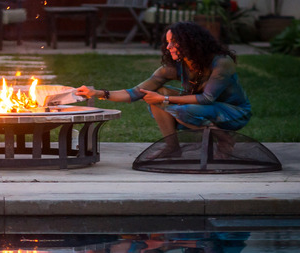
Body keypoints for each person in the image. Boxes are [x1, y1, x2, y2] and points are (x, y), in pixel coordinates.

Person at [75, 21, 251, 158]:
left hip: (234, 113)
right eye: (168, 43)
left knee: (178, 107)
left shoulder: (221, 63)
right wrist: (98, 93)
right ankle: (172, 147)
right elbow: (135, 93)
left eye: (174, 43)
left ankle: (225, 140)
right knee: (155, 95)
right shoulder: (175, 68)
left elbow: (207, 98)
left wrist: (165, 101)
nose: (169, 48)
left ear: (191, 43)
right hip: (198, 109)